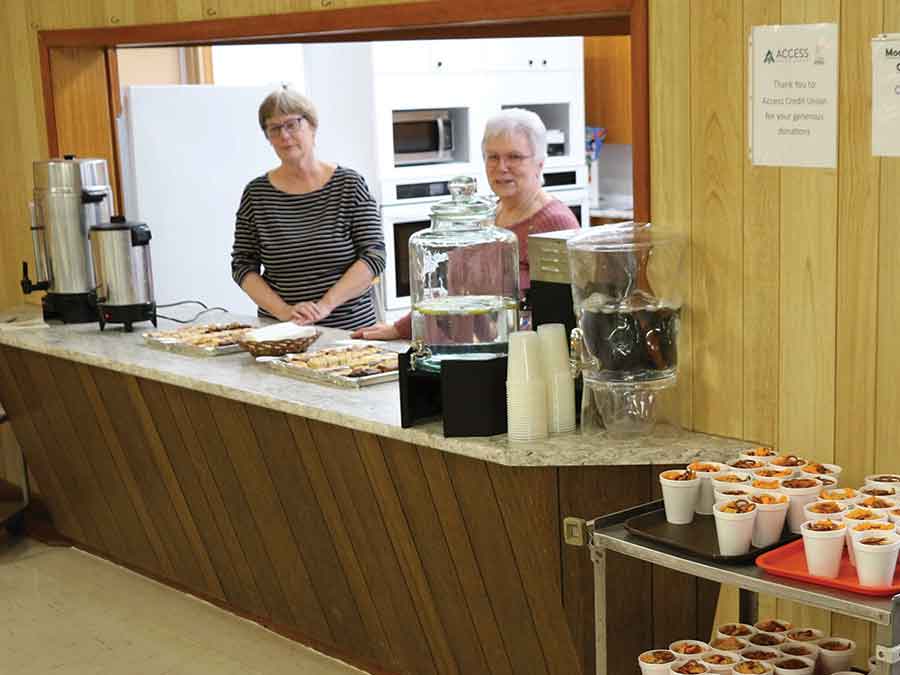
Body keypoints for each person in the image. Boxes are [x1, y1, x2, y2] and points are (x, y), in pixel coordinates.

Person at [352, 107, 580, 340]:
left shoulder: (554, 222)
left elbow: (566, 313)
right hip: (472, 350)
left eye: (514, 156)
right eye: (493, 157)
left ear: (540, 164)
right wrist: (399, 328)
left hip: (521, 358)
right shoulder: (487, 215)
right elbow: (456, 294)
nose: (502, 167)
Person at [231, 86, 386, 329]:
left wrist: (325, 305)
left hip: (350, 333)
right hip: (283, 333)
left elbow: (374, 255)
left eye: (292, 124)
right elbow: (242, 264)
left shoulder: (349, 184)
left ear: (312, 127)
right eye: (274, 128)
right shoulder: (256, 194)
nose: (284, 135)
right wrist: (284, 312)